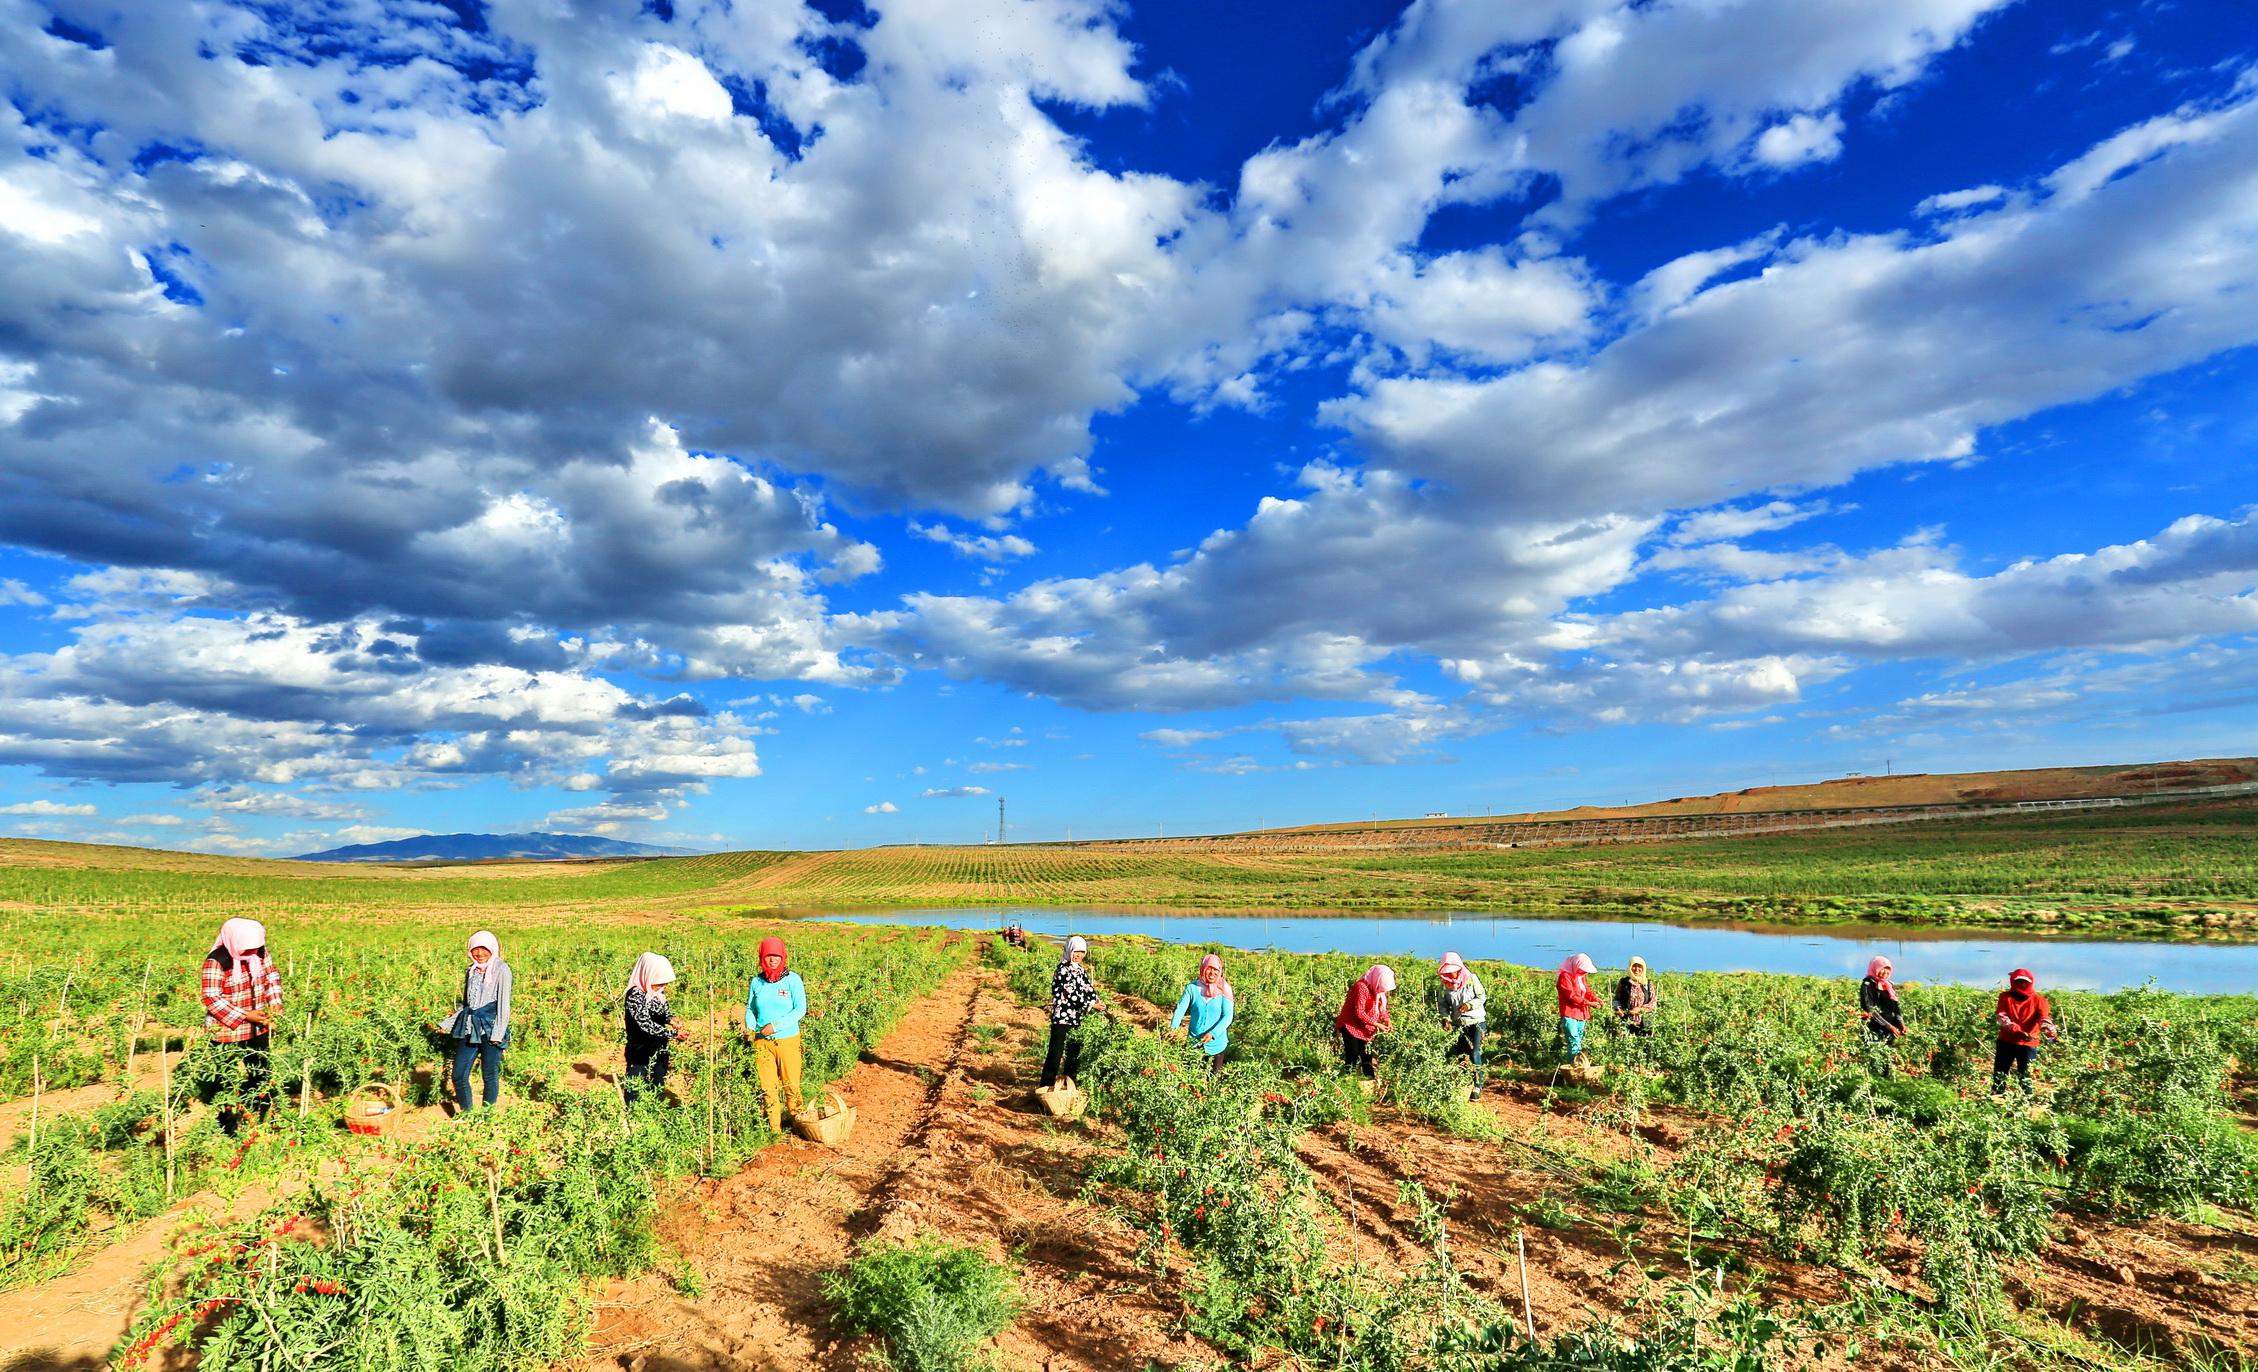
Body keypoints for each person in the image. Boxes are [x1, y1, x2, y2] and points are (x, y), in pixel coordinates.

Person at [199, 917, 282, 1137]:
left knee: (261, 1073)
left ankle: (263, 1117)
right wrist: (247, 1015)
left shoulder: (260, 953)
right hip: (226, 1030)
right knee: (226, 1077)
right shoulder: (217, 961)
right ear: (234, 942)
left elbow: (271, 977)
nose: (251, 952)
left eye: (255, 948)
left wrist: (275, 1005)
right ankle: (227, 1127)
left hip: (257, 1028)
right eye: (247, 948)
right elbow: (212, 999)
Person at [440, 931, 512, 1112]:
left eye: (484, 949)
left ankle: (487, 1117)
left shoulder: (502, 969)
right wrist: (448, 1023)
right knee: (458, 1075)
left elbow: (503, 1004)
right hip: (470, 1028)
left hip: (490, 1027)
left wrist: (497, 1034)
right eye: (475, 949)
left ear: (492, 949)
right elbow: (467, 1004)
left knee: (489, 1075)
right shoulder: (470, 971)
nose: (479, 953)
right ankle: (468, 1114)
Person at [744, 936, 808, 1132]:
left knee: (791, 1084)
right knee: (767, 1087)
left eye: (776, 956)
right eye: (768, 956)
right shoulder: (757, 982)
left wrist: (776, 1025)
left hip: (787, 1040)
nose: (772, 960)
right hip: (762, 1042)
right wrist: (750, 1026)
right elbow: (750, 1008)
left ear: (783, 957)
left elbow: (800, 1009)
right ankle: (774, 1130)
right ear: (762, 957)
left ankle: (799, 1123)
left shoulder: (792, 980)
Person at [1042, 936, 1101, 1089]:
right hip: (1062, 1018)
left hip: (1076, 1018)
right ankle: (1045, 1088)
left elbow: (1089, 989)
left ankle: (1069, 1088)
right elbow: (1071, 993)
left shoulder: (1080, 970)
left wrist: (1097, 1001)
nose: (1079, 955)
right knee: (1055, 1054)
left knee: (1074, 1055)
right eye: (1076, 951)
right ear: (1070, 950)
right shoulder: (1063, 969)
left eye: (1082, 952)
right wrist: (1091, 1005)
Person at [1991, 968, 2058, 1097]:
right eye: (2019, 982)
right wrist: (2016, 1030)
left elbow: (2044, 1018)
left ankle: (2025, 1101)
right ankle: (1996, 1098)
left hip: (2028, 1043)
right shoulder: (2005, 998)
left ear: (2030, 983)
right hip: (2007, 1041)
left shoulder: (2040, 1001)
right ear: (2013, 982)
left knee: (2026, 1074)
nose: (2022, 985)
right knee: (2000, 1073)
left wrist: (2050, 1032)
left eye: (2024, 982)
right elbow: (2002, 1017)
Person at [1169, 953, 1235, 1072]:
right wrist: (1173, 1028)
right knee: (1191, 1077)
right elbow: (1180, 1009)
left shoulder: (1225, 989)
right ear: (1203, 968)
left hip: (1217, 1045)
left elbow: (1228, 1016)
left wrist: (1213, 1033)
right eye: (1209, 969)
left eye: (1216, 970)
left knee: (1213, 1080)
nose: (1212, 973)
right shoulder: (1192, 988)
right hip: (1194, 1042)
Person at [1437, 952, 1486, 1098]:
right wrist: (1445, 1018)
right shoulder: (1444, 985)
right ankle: (1464, 1083)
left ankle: (1478, 1084)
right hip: (1459, 1024)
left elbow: (1482, 997)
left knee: (1475, 1053)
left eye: (1452, 972)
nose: (1450, 976)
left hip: (1477, 1021)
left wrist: (1469, 1006)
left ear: (1459, 968)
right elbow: (1443, 1005)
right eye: (1447, 972)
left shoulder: (1471, 979)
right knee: (1461, 1055)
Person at [1335, 965, 1395, 1078]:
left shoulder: (1377, 989)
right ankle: (1347, 1078)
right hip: (1350, 1024)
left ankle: (1370, 1078)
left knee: (1366, 1054)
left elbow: (1382, 1009)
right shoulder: (1361, 987)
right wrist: (1377, 1024)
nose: (1383, 991)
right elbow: (1360, 1012)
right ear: (1377, 980)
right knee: (1352, 1053)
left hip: (1365, 1026)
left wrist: (1387, 1020)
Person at [1556, 954, 1601, 1065]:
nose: (1584, 973)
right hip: (1570, 1013)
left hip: (1581, 1014)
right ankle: (1574, 1067)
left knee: (1578, 1040)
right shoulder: (1565, 976)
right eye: (1582, 970)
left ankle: (1577, 1065)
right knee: (1574, 1041)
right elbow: (1571, 996)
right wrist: (1589, 1003)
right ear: (1576, 965)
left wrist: (1597, 999)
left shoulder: (1580, 977)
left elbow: (1587, 991)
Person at [1859, 956, 1906, 1052]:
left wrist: (1901, 1023)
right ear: (1875, 968)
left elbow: (1895, 1007)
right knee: (1875, 1054)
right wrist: (1888, 1026)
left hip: (1890, 1030)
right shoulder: (1868, 985)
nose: (1885, 972)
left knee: (1888, 1056)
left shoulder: (1889, 985)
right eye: (1882, 968)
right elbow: (1869, 1009)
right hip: (1875, 1028)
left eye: (1888, 969)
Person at [1612, 956, 1658, 1036]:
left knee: (1644, 1042)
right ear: (1630, 967)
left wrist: (1640, 1009)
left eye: (1639, 967)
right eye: (1634, 966)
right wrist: (1618, 1009)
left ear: (1643, 968)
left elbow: (1653, 1002)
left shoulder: (1647, 983)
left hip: (1645, 1022)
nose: (1637, 969)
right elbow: (1616, 999)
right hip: (1626, 1020)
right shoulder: (1624, 982)